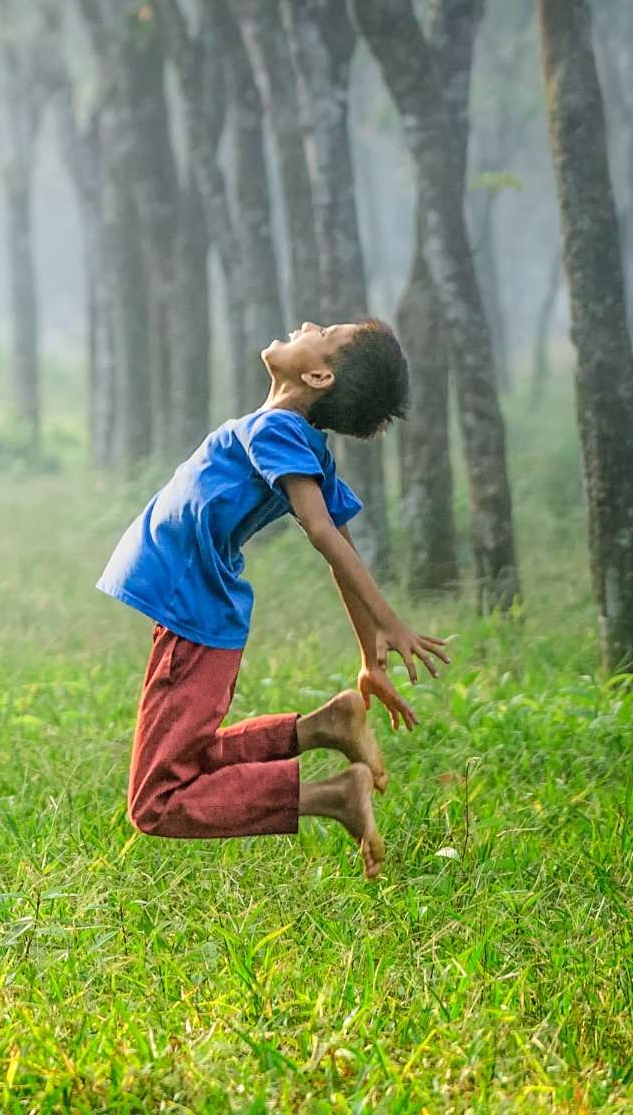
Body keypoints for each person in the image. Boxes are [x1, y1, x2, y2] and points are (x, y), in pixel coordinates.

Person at [96, 319, 450, 877]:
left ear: (318, 373)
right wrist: (368, 657)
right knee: (187, 761)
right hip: (194, 612)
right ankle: (323, 728)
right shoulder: (289, 434)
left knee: (157, 801)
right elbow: (341, 538)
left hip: (194, 615)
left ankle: (332, 797)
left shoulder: (281, 430)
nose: (308, 324)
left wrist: (389, 623)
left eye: (326, 331)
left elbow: (324, 531)